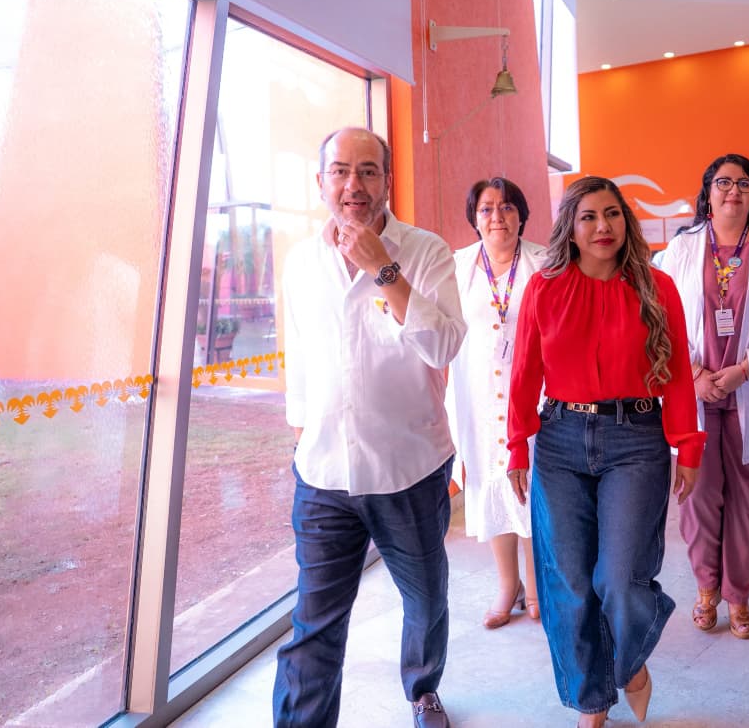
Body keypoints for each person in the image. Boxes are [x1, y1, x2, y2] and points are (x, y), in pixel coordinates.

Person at [274, 127, 466, 728]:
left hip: (409, 470)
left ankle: (422, 686)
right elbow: (299, 355)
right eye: (340, 171)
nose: (353, 184)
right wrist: (300, 428)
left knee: (426, 598)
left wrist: (384, 269)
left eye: (367, 170)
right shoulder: (302, 261)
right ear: (321, 182)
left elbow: (443, 346)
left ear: (386, 181)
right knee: (314, 625)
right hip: (324, 475)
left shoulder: (426, 252)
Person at [506, 176, 703, 727]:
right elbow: (524, 370)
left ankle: (629, 661)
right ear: (570, 228)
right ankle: (591, 703)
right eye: (589, 216)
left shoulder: (657, 288)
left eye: (612, 214)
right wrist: (517, 444)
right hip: (560, 440)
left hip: (634, 438)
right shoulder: (544, 288)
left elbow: (678, 373)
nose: (602, 227)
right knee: (569, 585)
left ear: (626, 221)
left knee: (618, 579)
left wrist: (687, 445)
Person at [659, 155, 749, 640]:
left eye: (744, 183)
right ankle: (706, 589)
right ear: (708, 192)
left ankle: (739, 595)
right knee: (698, 496)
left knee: (746, 501)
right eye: (724, 182)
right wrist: (693, 373)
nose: (734, 190)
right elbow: (662, 317)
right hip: (694, 390)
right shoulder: (682, 247)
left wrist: (744, 368)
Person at [447, 178, 546, 628]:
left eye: (506, 207)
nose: (497, 217)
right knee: (492, 483)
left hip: (535, 395)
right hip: (480, 397)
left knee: (534, 486)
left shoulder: (545, 262)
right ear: (475, 218)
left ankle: (537, 583)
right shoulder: (458, 266)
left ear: (521, 215)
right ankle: (509, 584)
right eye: (486, 209)